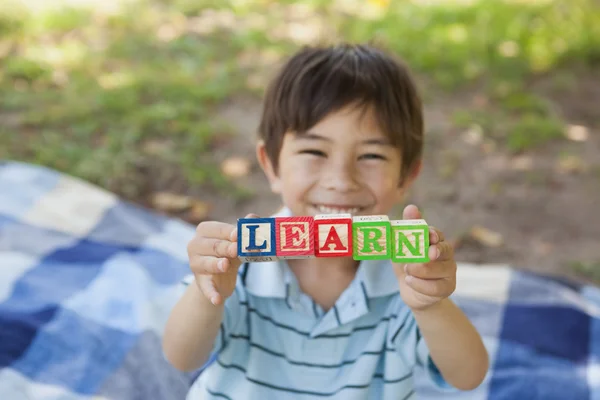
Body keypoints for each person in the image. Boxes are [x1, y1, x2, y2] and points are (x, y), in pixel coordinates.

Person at [162, 42, 489, 399]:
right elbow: (182, 358)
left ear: (406, 177)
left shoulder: (408, 280)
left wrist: (432, 305)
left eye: (371, 155)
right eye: (314, 151)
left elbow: (468, 376)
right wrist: (207, 293)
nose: (341, 179)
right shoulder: (236, 266)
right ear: (271, 164)